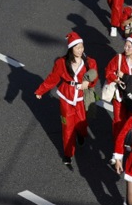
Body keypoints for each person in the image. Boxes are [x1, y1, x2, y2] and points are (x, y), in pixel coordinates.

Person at [34, 32, 99, 169]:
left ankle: (81, 134)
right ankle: (68, 154)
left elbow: (94, 77)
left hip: (81, 97)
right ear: (71, 49)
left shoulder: (90, 62)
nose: (80, 50)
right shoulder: (62, 63)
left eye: (82, 47)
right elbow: (53, 78)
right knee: (67, 127)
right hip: (66, 98)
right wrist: (41, 91)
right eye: (77, 48)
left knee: (82, 123)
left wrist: (89, 84)